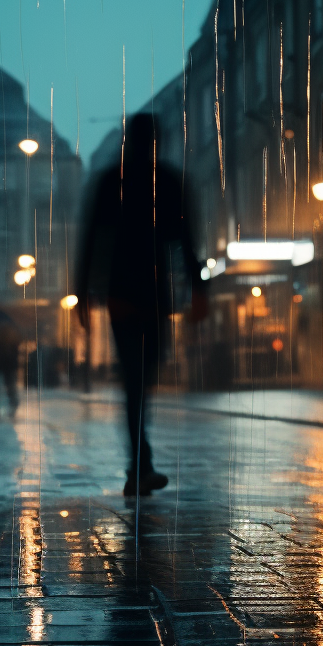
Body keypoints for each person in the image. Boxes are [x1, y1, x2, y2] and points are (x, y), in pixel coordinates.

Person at [77, 113, 206, 496]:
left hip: (122, 292)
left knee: (137, 381)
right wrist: (197, 289)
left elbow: (91, 240)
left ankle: (139, 464)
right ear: (156, 141)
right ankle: (139, 465)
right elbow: (186, 240)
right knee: (141, 380)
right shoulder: (167, 181)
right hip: (151, 294)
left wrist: (83, 289)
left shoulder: (110, 181)